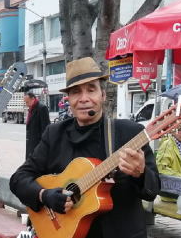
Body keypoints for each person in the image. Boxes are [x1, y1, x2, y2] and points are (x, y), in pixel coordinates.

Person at [9, 57, 160, 238]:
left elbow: (153, 190)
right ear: (69, 99)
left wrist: (141, 174)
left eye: (91, 90)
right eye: (76, 92)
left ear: (103, 95)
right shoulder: (54, 134)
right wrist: (44, 195)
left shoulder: (130, 133)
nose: (84, 99)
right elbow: (18, 179)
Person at [24, 92, 51, 158]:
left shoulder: (42, 108)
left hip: (37, 145)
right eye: (25, 102)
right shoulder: (31, 108)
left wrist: (42, 146)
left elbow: (45, 129)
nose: (26, 104)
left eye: (27, 102)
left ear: (33, 99)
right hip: (31, 144)